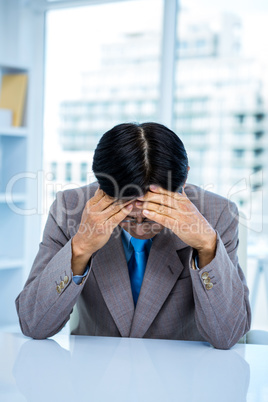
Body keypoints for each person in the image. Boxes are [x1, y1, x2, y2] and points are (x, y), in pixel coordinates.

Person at [16, 122, 251, 349]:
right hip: (93, 375)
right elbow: (33, 324)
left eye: (152, 214)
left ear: (184, 180)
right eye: (126, 213)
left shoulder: (218, 214)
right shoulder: (70, 209)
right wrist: (80, 248)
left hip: (181, 379)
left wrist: (207, 247)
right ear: (101, 186)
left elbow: (227, 335)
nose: (139, 227)